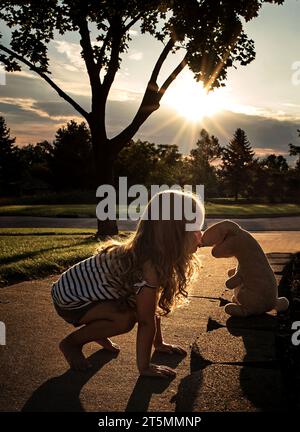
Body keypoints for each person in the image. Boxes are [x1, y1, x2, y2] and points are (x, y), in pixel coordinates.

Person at [51, 189, 204, 378]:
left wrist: (159, 344)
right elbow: (146, 320)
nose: (201, 236)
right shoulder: (149, 265)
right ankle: (72, 343)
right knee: (125, 319)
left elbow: (152, 307)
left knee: (132, 307)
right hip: (71, 299)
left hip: (87, 293)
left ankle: (97, 329)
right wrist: (145, 367)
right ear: (174, 235)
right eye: (196, 229)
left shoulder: (156, 257)